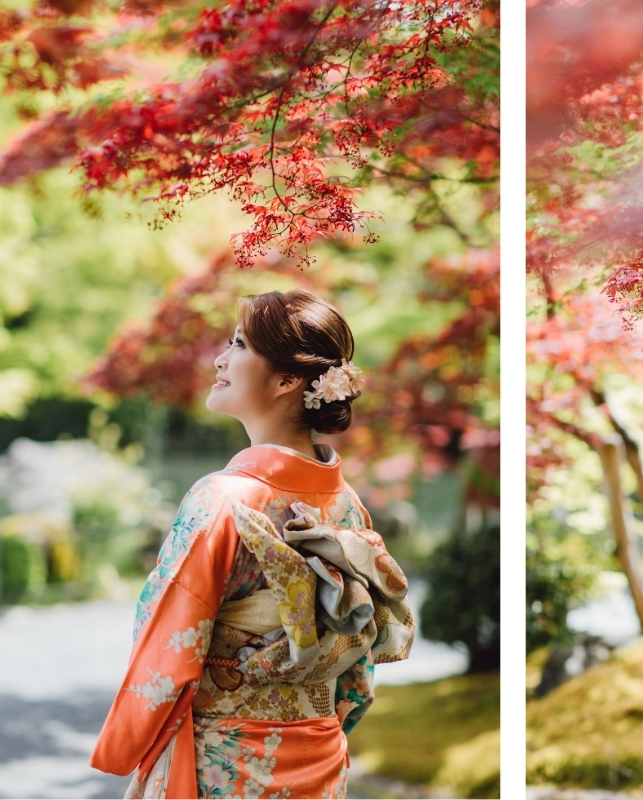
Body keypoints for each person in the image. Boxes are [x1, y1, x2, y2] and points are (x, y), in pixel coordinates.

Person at [91, 289, 416, 799]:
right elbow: (358, 658)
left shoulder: (221, 498)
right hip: (319, 754)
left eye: (239, 345)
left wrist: (130, 740)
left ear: (288, 380)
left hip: (226, 760)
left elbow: (169, 640)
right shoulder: (348, 506)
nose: (220, 358)